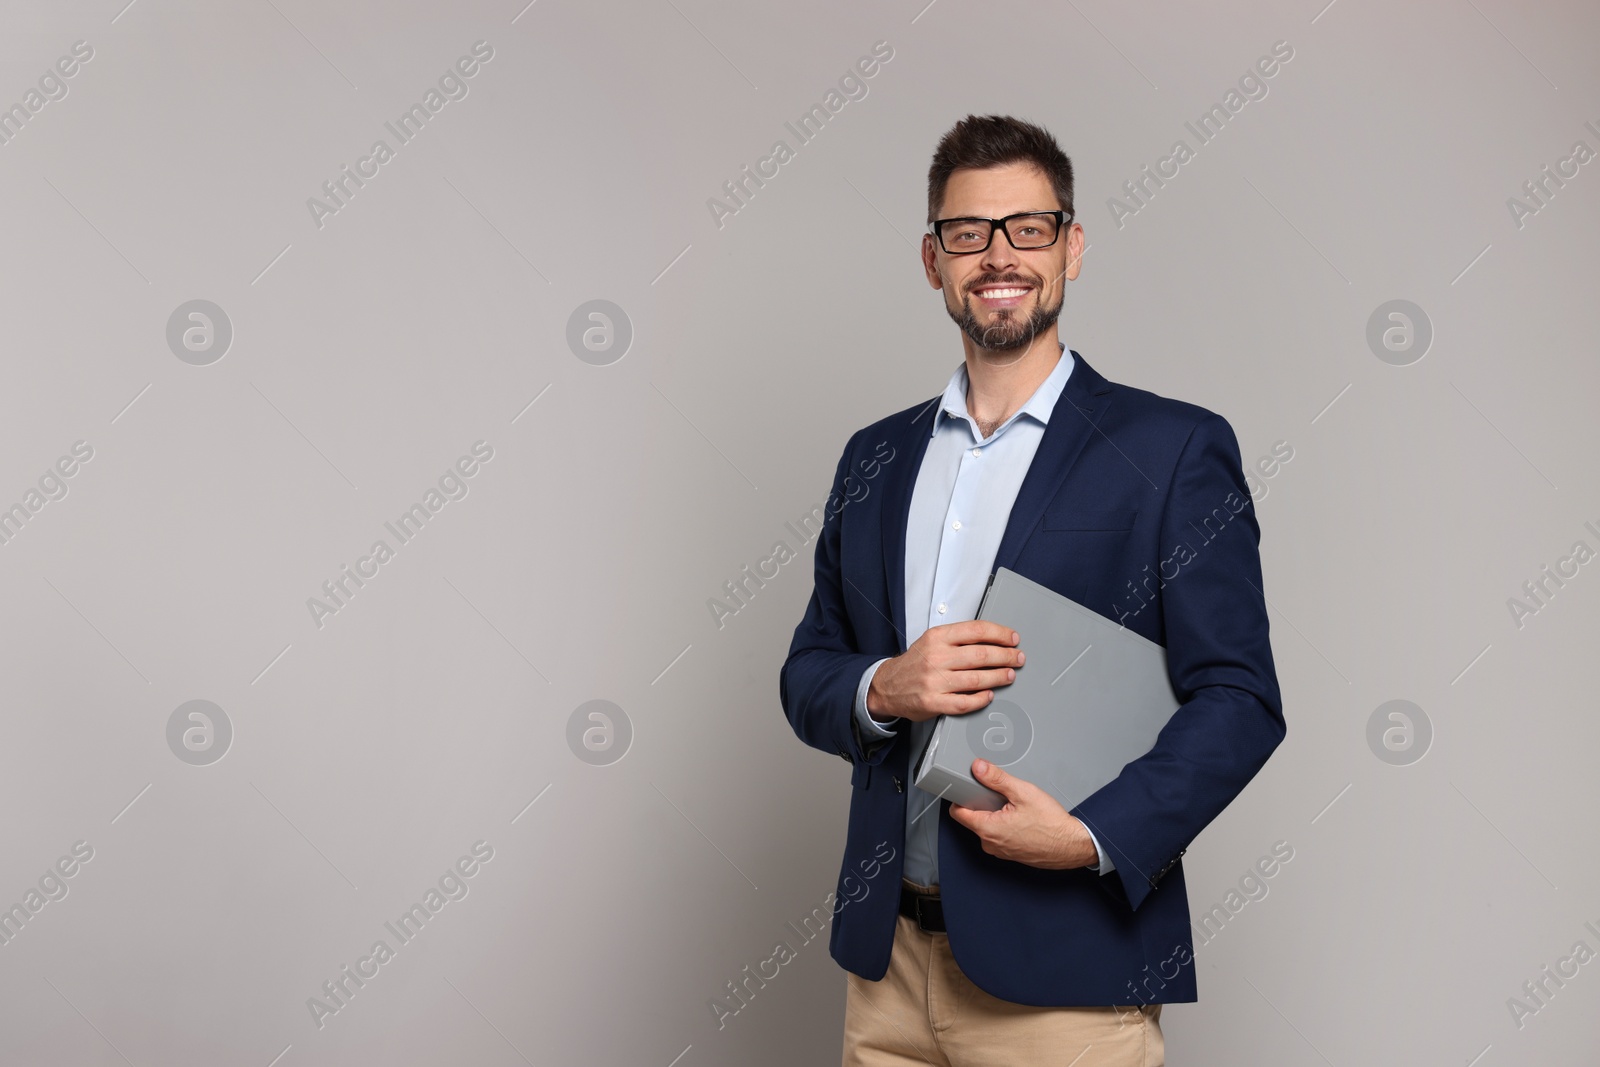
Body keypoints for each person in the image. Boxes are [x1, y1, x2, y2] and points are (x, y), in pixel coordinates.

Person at [778, 114, 1286, 1066]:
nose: (998, 255)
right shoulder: (873, 458)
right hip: (883, 967)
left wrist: (1097, 835)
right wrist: (883, 685)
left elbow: (1241, 700)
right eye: (968, 232)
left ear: (1073, 247)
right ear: (934, 260)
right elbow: (809, 668)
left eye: (1028, 227)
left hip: (1068, 972)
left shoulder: (1172, 451)